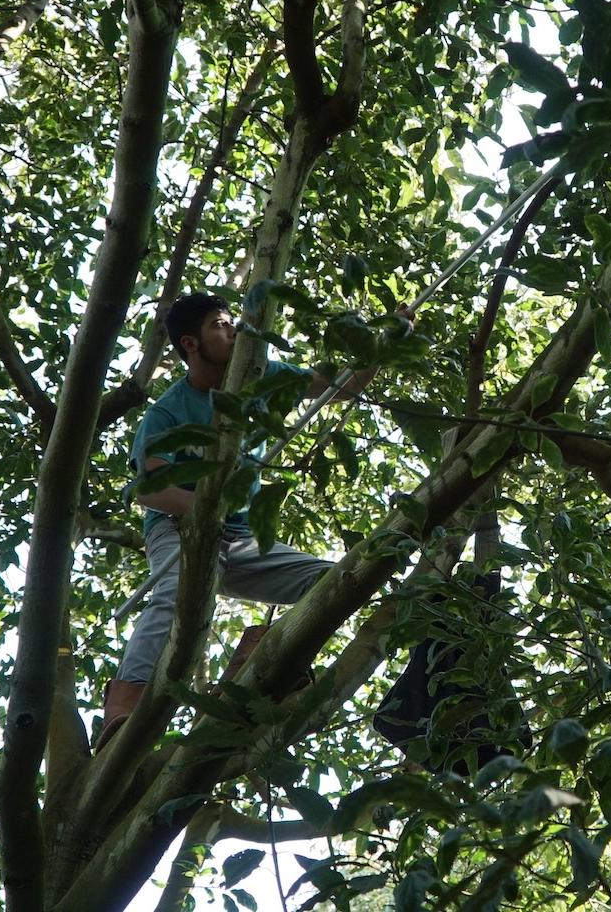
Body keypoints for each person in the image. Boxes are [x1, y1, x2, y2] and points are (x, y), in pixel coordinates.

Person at [99, 292, 397, 749]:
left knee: (330, 581)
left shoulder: (263, 378)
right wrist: (206, 510)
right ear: (191, 343)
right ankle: (125, 705)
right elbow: (151, 490)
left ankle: (259, 668)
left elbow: (344, 385)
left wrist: (386, 341)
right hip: (179, 531)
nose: (233, 331)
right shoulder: (168, 413)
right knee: (176, 599)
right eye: (220, 325)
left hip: (239, 537)